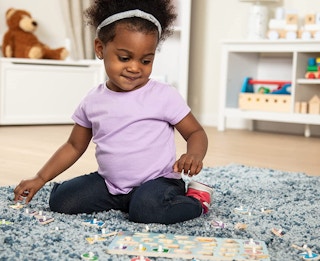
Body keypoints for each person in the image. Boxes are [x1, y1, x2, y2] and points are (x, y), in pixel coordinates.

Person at [13, 0, 213, 224]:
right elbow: (73, 146)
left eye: (146, 60)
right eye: (125, 58)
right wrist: (40, 178)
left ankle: (197, 200)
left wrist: (194, 155)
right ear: (100, 49)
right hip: (111, 185)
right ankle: (130, 201)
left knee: (146, 210)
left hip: (159, 181)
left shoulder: (163, 95)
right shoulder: (93, 101)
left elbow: (195, 132)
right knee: (61, 201)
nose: (135, 67)